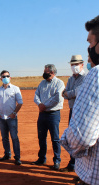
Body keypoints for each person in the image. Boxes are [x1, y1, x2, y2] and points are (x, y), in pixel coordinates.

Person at [60, 15, 99, 185]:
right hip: (74, 112)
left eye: (91, 42)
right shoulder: (70, 79)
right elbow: (67, 92)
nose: (89, 48)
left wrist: (67, 137)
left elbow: (81, 137)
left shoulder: (94, 75)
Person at [32, 64, 65, 171]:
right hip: (42, 114)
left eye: (46, 71)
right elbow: (36, 95)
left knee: (55, 139)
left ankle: (57, 160)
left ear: (52, 73)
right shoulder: (42, 83)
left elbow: (57, 98)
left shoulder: (59, 83)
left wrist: (44, 105)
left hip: (53, 114)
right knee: (41, 137)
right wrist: (39, 104)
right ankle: (41, 158)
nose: (44, 73)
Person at [60, 55, 86, 172]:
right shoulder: (71, 79)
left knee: (83, 140)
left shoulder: (86, 77)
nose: (74, 67)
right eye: (72, 65)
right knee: (72, 138)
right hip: (73, 111)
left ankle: (82, 169)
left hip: (83, 112)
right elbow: (66, 95)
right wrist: (69, 94)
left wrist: (68, 93)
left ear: (82, 64)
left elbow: (76, 93)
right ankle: (72, 164)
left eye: (76, 64)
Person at [0, 70, 23, 165]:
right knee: (4, 137)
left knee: (14, 137)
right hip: (1, 117)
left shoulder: (15, 89)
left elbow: (20, 102)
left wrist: (14, 113)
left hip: (12, 118)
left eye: (7, 76)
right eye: (3, 76)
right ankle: (7, 154)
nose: (5, 77)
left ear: (10, 77)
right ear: (0, 78)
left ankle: (17, 157)